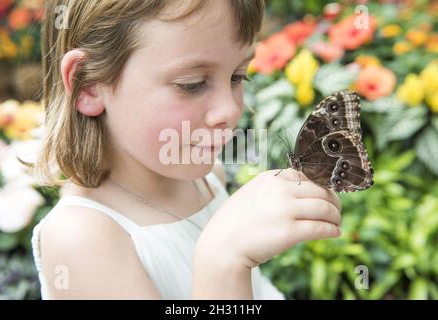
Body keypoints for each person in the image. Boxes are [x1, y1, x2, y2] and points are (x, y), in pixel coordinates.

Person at [30, 0, 342, 299]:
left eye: (238, 76)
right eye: (191, 84)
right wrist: (222, 263)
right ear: (89, 84)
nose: (229, 110)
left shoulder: (207, 179)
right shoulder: (81, 238)